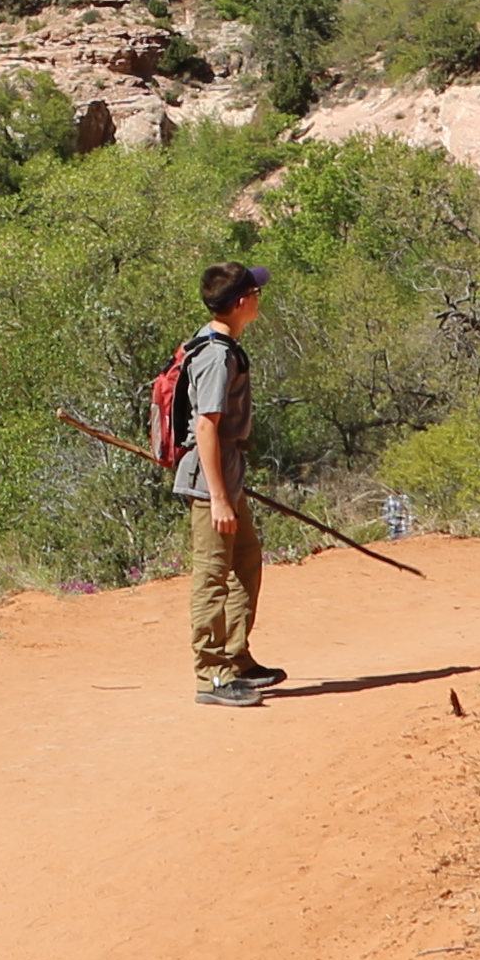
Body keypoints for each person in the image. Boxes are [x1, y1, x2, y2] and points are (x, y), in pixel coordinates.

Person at [169, 259, 277, 707]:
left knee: (246, 561)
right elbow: (208, 427)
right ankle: (212, 675)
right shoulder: (215, 355)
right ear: (238, 303)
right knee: (213, 576)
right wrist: (218, 497)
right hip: (210, 480)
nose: (258, 297)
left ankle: (236, 657)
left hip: (226, 474)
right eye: (253, 292)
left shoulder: (223, 343)